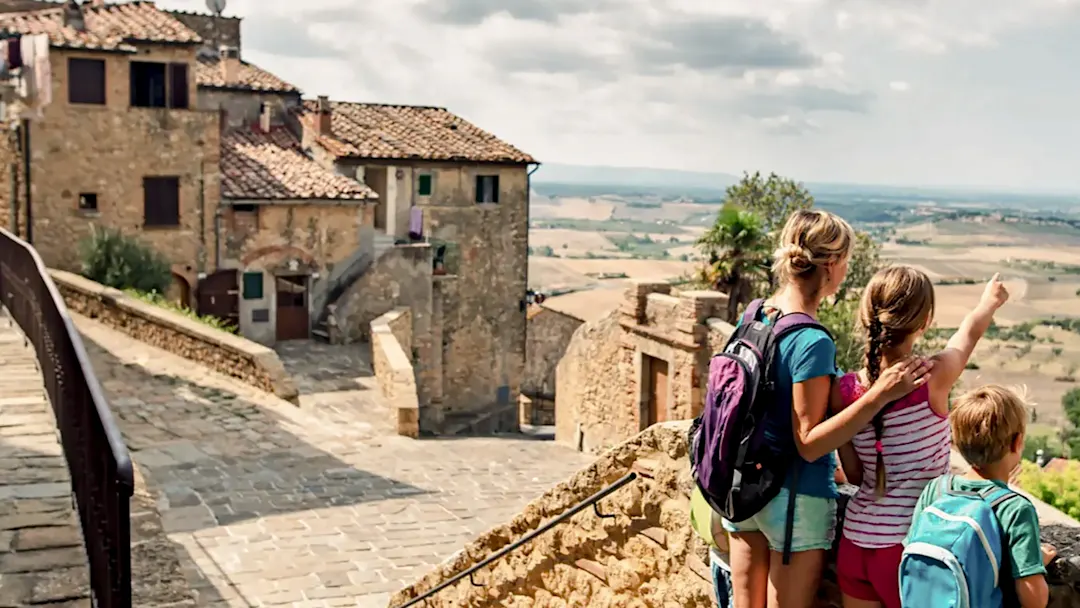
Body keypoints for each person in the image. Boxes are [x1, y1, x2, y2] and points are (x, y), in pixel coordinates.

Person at [720, 210, 933, 608]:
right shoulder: (812, 341)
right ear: (832, 266)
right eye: (847, 261)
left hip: (743, 487)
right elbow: (809, 443)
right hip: (793, 503)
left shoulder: (755, 314)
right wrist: (879, 395)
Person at [833, 269, 1009, 608]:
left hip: (855, 542)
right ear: (924, 321)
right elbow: (967, 334)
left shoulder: (844, 393)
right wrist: (989, 301)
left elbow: (855, 476)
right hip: (908, 543)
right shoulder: (932, 377)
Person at [907, 385, 1057, 608]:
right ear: (1017, 442)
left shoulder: (936, 490)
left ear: (957, 442)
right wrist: (1036, 564)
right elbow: (1034, 600)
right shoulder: (1015, 509)